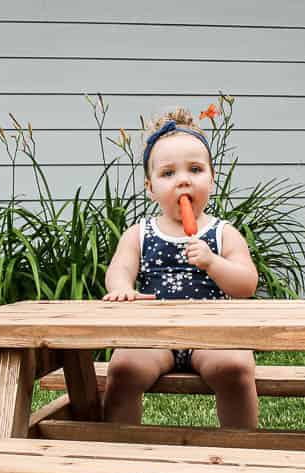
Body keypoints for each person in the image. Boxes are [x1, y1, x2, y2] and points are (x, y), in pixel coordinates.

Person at [101, 108, 260, 430]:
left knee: (235, 368)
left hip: (211, 335)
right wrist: (121, 288)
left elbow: (246, 285)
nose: (183, 179)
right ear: (150, 187)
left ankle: (243, 446)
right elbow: (120, 268)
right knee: (123, 368)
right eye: (168, 173)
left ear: (211, 180)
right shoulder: (139, 233)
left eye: (196, 169)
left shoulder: (222, 233)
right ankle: (118, 446)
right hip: (154, 335)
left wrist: (213, 262)